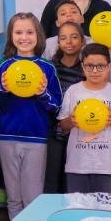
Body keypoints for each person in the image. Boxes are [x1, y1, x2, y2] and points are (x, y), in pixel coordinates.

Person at [0, 13, 62, 221]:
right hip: (6, 136)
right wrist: (3, 89)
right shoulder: (4, 65)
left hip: (36, 137)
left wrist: (42, 93)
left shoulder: (47, 68)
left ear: (38, 35)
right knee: (13, 196)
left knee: (33, 196)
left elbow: (56, 106)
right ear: (11, 36)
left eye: (29, 32)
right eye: (18, 32)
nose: (24, 37)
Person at [58, 43, 111, 192]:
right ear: (83, 67)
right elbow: (63, 126)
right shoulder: (74, 91)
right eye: (90, 66)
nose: (95, 70)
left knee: (102, 209)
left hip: (106, 165)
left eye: (100, 66)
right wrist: (72, 120)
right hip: (77, 164)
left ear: (108, 67)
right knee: (77, 207)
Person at [44, 21, 86, 193]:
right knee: (52, 182)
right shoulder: (50, 67)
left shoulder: (86, 69)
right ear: (58, 42)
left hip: (79, 134)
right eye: (64, 38)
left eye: (74, 37)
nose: (69, 41)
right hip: (54, 134)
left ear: (83, 41)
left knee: (74, 184)